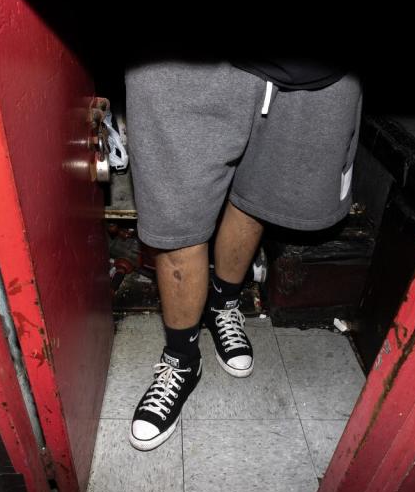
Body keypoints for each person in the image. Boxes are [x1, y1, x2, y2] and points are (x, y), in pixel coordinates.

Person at [125, 55, 362, 451]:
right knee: (176, 220)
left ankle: (223, 304)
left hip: (307, 67)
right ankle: (182, 358)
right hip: (184, 60)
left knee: (256, 199)